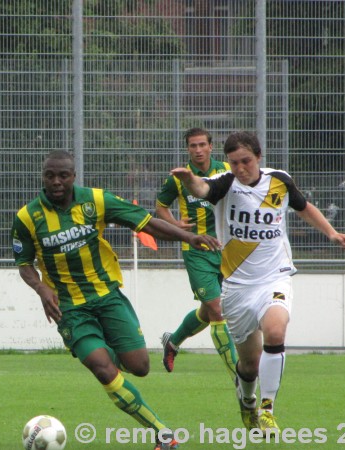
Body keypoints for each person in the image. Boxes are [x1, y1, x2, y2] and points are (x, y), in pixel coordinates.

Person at [11, 150, 221, 450]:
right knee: (102, 368)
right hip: (69, 308)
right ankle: (162, 433)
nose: (56, 181)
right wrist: (42, 288)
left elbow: (147, 223)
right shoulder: (27, 217)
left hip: (107, 296)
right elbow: (23, 263)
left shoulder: (95, 201)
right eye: (50, 175)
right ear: (43, 176)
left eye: (63, 175)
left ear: (73, 176)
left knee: (140, 367)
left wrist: (188, 238)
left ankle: (107, 351)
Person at [170, 131, 345, 436]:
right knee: (249, 366)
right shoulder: (226, 183)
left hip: (274, 276)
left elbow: (303, 206)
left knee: (276, 329)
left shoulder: (280, 181)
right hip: (237, 287)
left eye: (245, 161)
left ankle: (267, 408)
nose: (240, 168)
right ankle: (247, 398)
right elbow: (202, 188)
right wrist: (189, 179)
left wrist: (331, 233)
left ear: (258, 157)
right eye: (234, 163)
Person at [155, 127, 237, 379]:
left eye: (202, 145)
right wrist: (175, 224)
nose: (198, 150)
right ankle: (239, 373)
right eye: (193, 146)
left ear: (211, 147)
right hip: (197, 251)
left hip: (229, 250)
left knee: (208, 309)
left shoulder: (227, 171)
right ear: (188, 148)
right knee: (215, 307)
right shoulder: (179, 178)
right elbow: (161, 206)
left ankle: (173, 341)